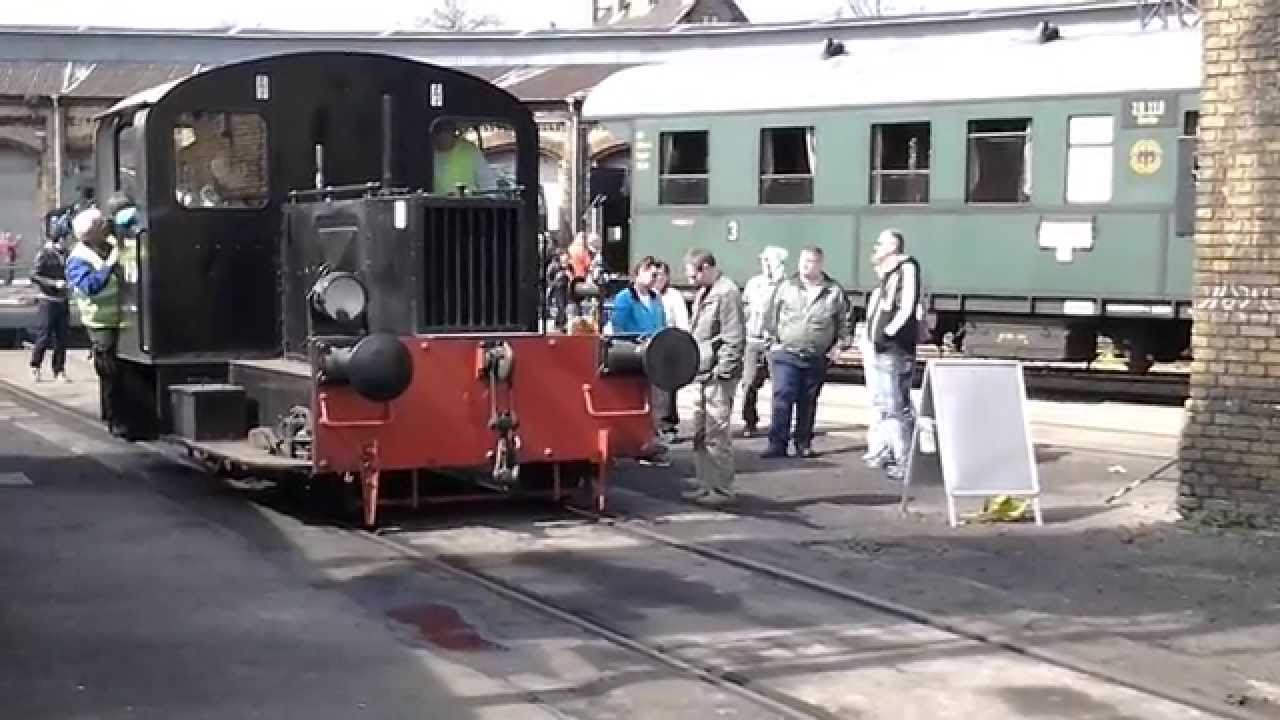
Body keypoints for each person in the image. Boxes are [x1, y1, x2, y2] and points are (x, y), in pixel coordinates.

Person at [761, 246, 853, 458]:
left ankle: (803, 442)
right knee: (782, 396)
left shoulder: (833, 292)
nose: (804, 265)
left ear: (820, 264)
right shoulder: (786, 287)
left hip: (816, 355)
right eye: (802, 261)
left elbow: (844, 323)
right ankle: (777, 443)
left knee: (808, 400)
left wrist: (839, 346)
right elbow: (770, 317)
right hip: (786, 353)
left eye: (810, 261)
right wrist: (772, 344)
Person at [683, 249, 745, 505]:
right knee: (700, 432)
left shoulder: (727, 293)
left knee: (716, 433)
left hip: (717, 375)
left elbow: (734, 336)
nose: (690, 281)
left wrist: (723, 371)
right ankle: (704, 484)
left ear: (706, 267)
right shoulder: (705, 291)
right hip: (702, 371)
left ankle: (721, 490)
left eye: (693, 275)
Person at [65, 207, 133, 439]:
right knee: (110, 373)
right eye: (102, 224)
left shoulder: (111, 244)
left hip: (125, 319)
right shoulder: (78, 259)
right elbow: (90, 287)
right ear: (92, 233)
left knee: (124, 372)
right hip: (101, 324)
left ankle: (126, 416)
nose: (107, 225)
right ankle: (115, 420)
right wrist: (108, 267)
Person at [865, 229, 923, 481]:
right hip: (885, 349)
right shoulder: (890, 274)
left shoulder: (907, 268)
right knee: (888, 405)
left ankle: (905, 460)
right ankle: (891, 451)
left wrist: (887, 332)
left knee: (895, 407)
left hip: (894, 349)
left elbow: (907, 305)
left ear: (893, 246)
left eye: (880, 243)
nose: (875, 247)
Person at [740, 246, 788, 438]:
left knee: (780, 386)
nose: (765, 264)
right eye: (763, 260)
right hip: (753, 338)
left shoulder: (786, 285)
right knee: (749, 382)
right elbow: (745, 306)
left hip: (774, 341)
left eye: (769, 261)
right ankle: (749, 421)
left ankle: (779, 426)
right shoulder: (754, 283)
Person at [652, 260, 689, 443]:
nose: (657, 279)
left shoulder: (673, 297)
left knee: (668, 388)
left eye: (661, 275)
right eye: (654, 275)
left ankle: (668, 424)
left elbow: (682, 322)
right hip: (651, 344)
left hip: (669, 344)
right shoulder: (648, 296)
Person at [29, 230, 71, 382]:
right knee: (44, 335)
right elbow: (34, 274)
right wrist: (53, 283)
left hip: (63, 300)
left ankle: (59, 369)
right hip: (47, 300)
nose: (68, 242)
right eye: (66, 238)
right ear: (59, 239)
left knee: (62, 337)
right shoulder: (45, 254)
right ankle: (35, 366)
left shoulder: (68, 254)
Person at [431, 120, 498, 194]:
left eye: (446, 130)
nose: (442, 134)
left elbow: (488, 184)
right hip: (434, 204)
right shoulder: (424, 154)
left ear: (453, 130)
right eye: (438, 131)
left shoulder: (470, 149)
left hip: (469, 205)